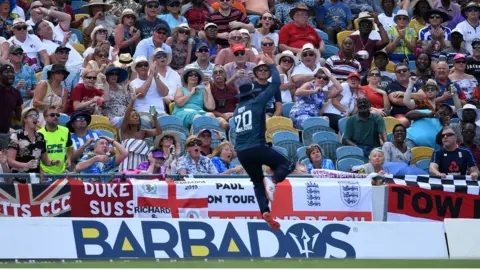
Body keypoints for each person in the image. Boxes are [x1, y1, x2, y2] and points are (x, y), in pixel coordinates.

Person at [233, 54, 295, 230]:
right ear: (252, 93)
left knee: (257, 182)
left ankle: (264, 211)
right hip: (256, 145)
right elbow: (275, 84)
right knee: (287, 164)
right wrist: (273, 66)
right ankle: (274, 181)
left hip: (242, 152)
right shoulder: (256, 101)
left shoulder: (238, 109)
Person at [7, 107, 61, 183]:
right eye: (32, 116)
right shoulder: (16, 136)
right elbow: (10, 161)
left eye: (36, 116)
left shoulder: (40, 137)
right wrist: (26, 165)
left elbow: (46, 161)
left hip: (35, 180)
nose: (35, 118)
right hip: (18, 180)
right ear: (25, 119)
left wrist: (53, 162)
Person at [120, 92, 162, 171]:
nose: (136, 118)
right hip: (127, 161)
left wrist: (155, 118)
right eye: (133, 116)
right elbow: (126, 114)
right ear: (127, 120)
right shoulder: (124, 130)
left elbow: (158, 132)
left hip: (140, 161)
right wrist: (132, 101)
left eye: (137, 116)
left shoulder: (143, 132)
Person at [38, 106, 73, 176]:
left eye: (57, 115)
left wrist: (69, 159)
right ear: (45, 117)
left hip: (62, 171)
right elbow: (37, 156)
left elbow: (69, 147)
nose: (55, 117)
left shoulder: (65, 131)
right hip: (45, 173)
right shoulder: (39, 134)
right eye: (52, 115)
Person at [0, 61, 22, 150]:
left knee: (4, 161)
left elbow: (19, 116)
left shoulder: (16, 93)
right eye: (7, 72)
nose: (10, 75)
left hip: (5, 133)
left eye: (12, 72)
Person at [211, 64, 238, 129]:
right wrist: (222, 115)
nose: (218, 74)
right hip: (218, 117)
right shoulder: (209, 90)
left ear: (225, 75)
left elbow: (239, 106)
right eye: (215, 73)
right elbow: (209, 110)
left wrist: (234, 113)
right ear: (213, 76)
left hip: (233, 115)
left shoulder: (233, 90)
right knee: (225, 124)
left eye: (220, 72)